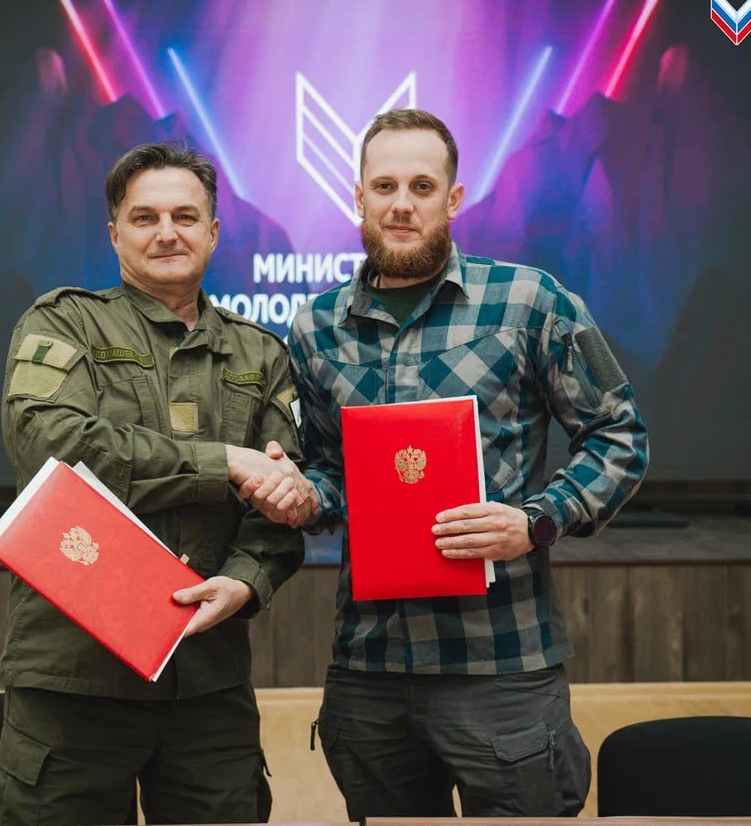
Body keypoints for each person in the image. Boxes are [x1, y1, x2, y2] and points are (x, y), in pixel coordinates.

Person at [246, 108, 649, 818]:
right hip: (370, 666)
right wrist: (301, 494)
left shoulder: (530, 302)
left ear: (454, 198)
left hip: (502, 663)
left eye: (422, 186)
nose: (401, 203)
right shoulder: (315, 327)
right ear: (358, 196)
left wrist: (536, 521)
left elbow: (619, 437)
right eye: (385, 186)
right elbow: (331, 476)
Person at [0, 142, 309, 825]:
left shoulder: (261, 353)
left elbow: (279, 502)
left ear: (212, 232)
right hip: (74, 677)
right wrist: (223, 462)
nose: (167, 232)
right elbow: (51, 447)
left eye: (185, 217)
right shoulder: (63, 322)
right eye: (145, 217)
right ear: (115, 234)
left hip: (208, 679)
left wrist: (247, 579)